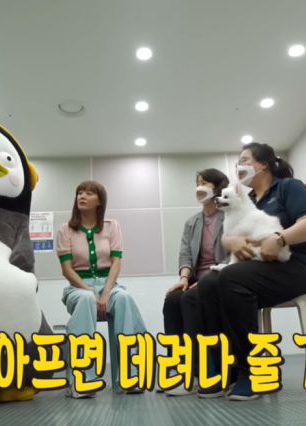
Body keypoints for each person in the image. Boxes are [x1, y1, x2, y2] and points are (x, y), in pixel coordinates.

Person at [196, 143, 306, 401]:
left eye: (244, 160)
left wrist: (280, 238)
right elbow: (228, 234)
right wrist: (230, 242)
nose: (238, 166)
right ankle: (226, 370)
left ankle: (253, 371)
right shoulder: (248, 200)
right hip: (258, 268)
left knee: (231, 278)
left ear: (263, 164)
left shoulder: (288, 187)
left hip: (295, 266)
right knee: (209, 285)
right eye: (237, 162)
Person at [56, 180, 147, 398]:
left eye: (88, 193)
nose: (82, 196)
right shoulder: (65, 230)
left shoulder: (112, 226)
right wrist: (89, 291)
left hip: (109, 285)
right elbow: (67, 270)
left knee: (123, 298)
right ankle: (81, 380)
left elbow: (116, 263)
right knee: (86, 299)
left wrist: (105, 293)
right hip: (78, 287)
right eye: (79, 192)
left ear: (99, 201)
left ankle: (129, 377)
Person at [162, 168, 229, 396]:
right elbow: (185, 254)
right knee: (172, 300)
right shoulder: (192, 222)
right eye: (198, 183)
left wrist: (206, 279)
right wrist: (183, 278)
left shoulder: (230, 216)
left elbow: (234, 255)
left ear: (218, 187)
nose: (200, 187)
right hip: (194, 279)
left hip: (221, 276)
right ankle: (179, 371)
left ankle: (199, 373)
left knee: (190, 299)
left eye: (206, 183)